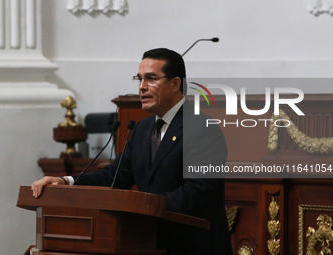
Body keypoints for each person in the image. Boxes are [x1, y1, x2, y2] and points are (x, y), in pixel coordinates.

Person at [32, 48, 232, 255]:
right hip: (149, 244)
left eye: (151, 79)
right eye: (139, 79)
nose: (142, 87)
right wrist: (66, 182)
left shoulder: (202, 127)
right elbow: (116, 175)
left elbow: (199, 192)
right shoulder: (142, 129)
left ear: (175, 84)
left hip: (194, 247)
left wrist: (142, 207)